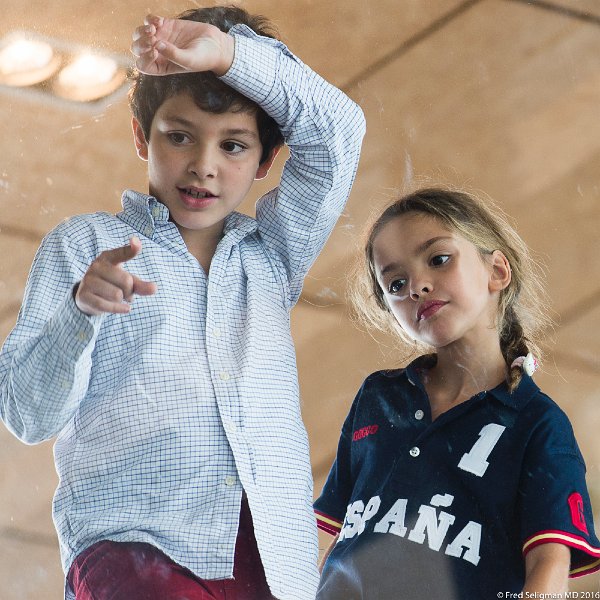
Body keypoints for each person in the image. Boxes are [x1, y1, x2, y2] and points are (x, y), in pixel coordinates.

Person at [0, 6, 365, 600]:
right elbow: (27, 414)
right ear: (141, 136)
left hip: (272, 565)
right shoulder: (88, 246)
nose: (204, 165)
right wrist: (78, 314)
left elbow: (339, 130)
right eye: (179, 136)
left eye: (235, 146)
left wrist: (229, 54)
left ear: (267, 162)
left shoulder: (271, 258)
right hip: (135, 548)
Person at [314, 188, 600, 599]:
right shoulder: (377, 396)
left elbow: (549, 562)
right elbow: (342, 537)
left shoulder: (538, 423)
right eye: (396, 283)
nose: (417, 286)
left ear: (498, 271)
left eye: (438, 259)